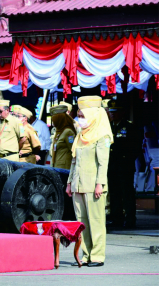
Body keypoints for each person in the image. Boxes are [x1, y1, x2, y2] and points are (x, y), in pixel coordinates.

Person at [66, 95, 113, 267]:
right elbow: (73, 160)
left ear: (93, 116)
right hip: (79, 184)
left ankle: (97, 256)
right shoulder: (81, 135)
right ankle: (85, 255)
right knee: (81, 222)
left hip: (94, 185)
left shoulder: (102, 136)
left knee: (96, 221)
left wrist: (100, 183)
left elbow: (103, 163)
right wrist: (70, 183)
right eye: (79, 116)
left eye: (83, 116)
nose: (80, 119)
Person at [107, 99, 137, 227]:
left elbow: (135, 148)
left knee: (127, 194)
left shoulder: (129, 127)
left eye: (116, 111)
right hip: (112, 166)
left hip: (125, 166)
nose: (113, 114)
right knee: (114, 193)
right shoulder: (109, 127)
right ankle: (116, 218)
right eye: (111, 112)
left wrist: (127, 160)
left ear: (122, 112)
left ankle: (130, 219)